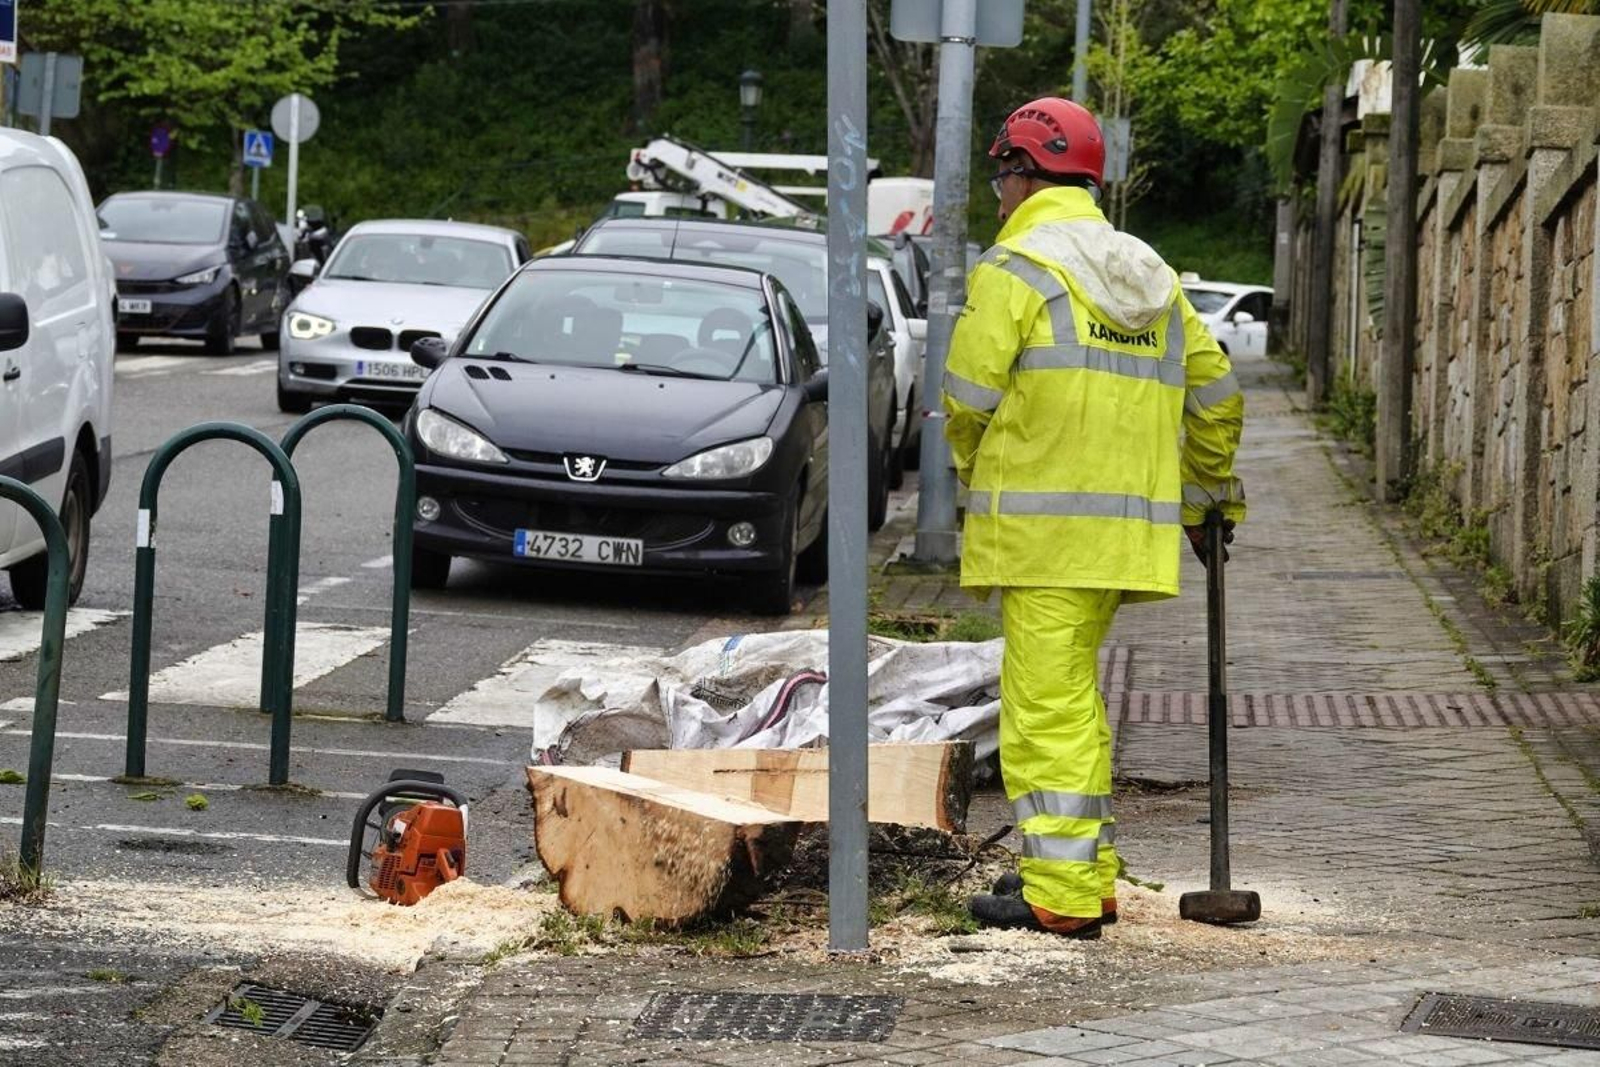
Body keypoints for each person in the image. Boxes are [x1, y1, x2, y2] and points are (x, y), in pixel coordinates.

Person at [943, 97, 1245, 939]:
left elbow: (965, 400)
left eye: (1001, 176)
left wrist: (979, 473)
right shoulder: (1150, 271)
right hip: (1126, 540)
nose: (997, 194)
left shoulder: (1017, 268)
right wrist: (1202, 494)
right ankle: (1086, 873)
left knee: (1044, 710)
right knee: (1074, 698)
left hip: (1043, 537)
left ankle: (1062, 900)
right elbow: (1218, 397)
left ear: (1022, 173)